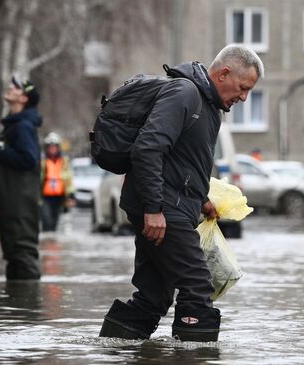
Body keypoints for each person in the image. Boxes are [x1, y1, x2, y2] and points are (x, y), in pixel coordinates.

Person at [99, 45, 264, 342]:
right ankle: (195, 355)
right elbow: (148, 148)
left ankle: (115, 349)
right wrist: (153, 209)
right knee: (197, 285)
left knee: (154, 295)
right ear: (224, 73)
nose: (244, 97)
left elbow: (184, 161)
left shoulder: (210, 106)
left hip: (171, 206)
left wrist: (202, 199)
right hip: (162, 209)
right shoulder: (185, 93)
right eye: (243, 88)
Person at [0, 76, 43, 280]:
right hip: (13, 202)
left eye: (16, 87)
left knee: (22, 252)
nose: (10, 88)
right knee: (13, 253)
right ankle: (17, 306)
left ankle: (28, 307)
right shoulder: (15, 125)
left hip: (20, 204)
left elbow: (29, 159)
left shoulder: (23, 127)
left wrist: (0, 149)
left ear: (24, 99)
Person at [40, 132, 74, 232]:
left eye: (54, 147)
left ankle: (51, 243)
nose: (52, 149)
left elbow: (68, 178)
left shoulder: (64, 162)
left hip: (59, 197)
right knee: (46, 221)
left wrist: (71, 194)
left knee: (55, 222)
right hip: (45, 197)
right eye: (50, 147)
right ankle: (46, 242)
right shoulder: (42, 161)